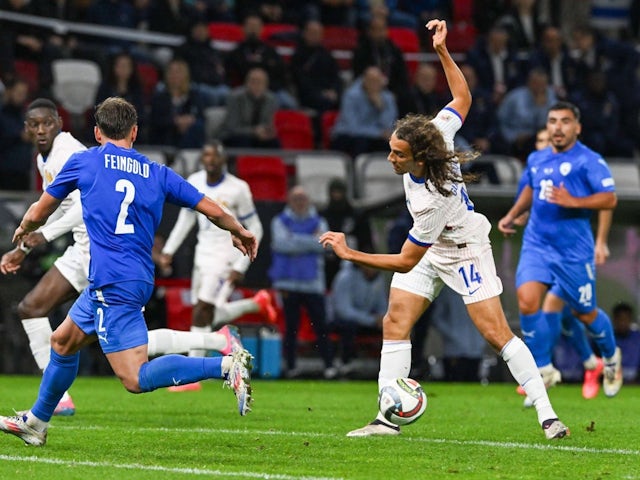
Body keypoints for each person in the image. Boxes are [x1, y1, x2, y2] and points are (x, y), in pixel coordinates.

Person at [320, 19, 569, 440]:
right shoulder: (437, 132)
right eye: (391, 149)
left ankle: (547, 415)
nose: (390, 159)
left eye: (398, 154)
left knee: (495, 334)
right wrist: (441, 50)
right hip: (430, 250)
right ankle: (385, 419)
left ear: (418, 157)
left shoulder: (433, 197)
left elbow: (404, 258)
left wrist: (351, 253)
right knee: (395, 320)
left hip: (463, 246)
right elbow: (462, 96)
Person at [0, 97, 257, 447]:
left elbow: (41, 210)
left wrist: (24, 230)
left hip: (112, 281)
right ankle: (37, 422)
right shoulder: (156, 171)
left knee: (134, 377)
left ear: (96, 132)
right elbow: (208, 206)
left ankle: (225, 366)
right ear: (134, 132)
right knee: (62, 341)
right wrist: (238, 229)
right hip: (129, 277)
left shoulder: (85, 161)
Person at [498, 101, 623, 403]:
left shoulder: (589, 161)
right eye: (553, 120)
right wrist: (513, 214)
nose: (557, 127)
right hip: (537, 245)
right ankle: (543, 368)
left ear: (577, 127)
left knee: (584, 312)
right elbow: (530, 187)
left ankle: (610, 356)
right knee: (527, 301)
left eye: (565, 121)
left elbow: (610, 199)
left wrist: (575, 202)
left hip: (573, 252)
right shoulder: (537, 158)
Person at [157, 140, 277, 391]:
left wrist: (241, 264)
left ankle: (192, 376)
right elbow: (185, 219)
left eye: (215, 156)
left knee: (201, 311)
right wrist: (168, 250)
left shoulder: (238, 188)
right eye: (206, 155)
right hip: (202, 255)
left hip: (225, 257)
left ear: (223, 160)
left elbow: (255, 227)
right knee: (207, 313)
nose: (210, 160)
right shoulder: (195, 181)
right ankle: (256, 304)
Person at [269, 185, 337, 379]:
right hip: (287, 283)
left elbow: (324, 245)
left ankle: (329, 366)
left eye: (303, 198)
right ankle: (290, 367)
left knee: (321, 326)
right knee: (291, 327)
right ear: (289, 201)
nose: (299, 202)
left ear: (308, 201)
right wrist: (310, 240)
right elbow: (280, 244)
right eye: (295, 198)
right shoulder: (279, 221)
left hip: (313, 283)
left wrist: (295, 240)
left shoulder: (320, 221)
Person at [329, 258, 387, 375]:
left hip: (367, 320)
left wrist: (383, 319)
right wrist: (372, 320)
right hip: (340, 320)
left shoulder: (379, 280)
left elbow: (382, 306)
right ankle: (345, 364)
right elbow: (344, 311)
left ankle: (389, 367)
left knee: (392, 326)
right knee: (348, 326)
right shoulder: (345, 277)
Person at [219, 67, 281, 149]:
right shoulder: (235, 97)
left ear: (266, 85)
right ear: (246, 82)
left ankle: (274, 162)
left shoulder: (271, 99)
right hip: (235, 135)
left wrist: (266, 132)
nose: (256, 84)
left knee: (274, 142)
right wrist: (254, 131)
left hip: (259, 135)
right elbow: (232, 127)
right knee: (244, 141)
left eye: (259, 82)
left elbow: (270, 123)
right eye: (252, 81)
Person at [610, 302, 640, 383]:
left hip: (635, 382)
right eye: (620, 319)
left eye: (626, 319)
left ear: (631, 320)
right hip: (610, 380)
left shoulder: (638, 338)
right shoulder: (607, 338)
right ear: (614, 320)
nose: (623, 322)